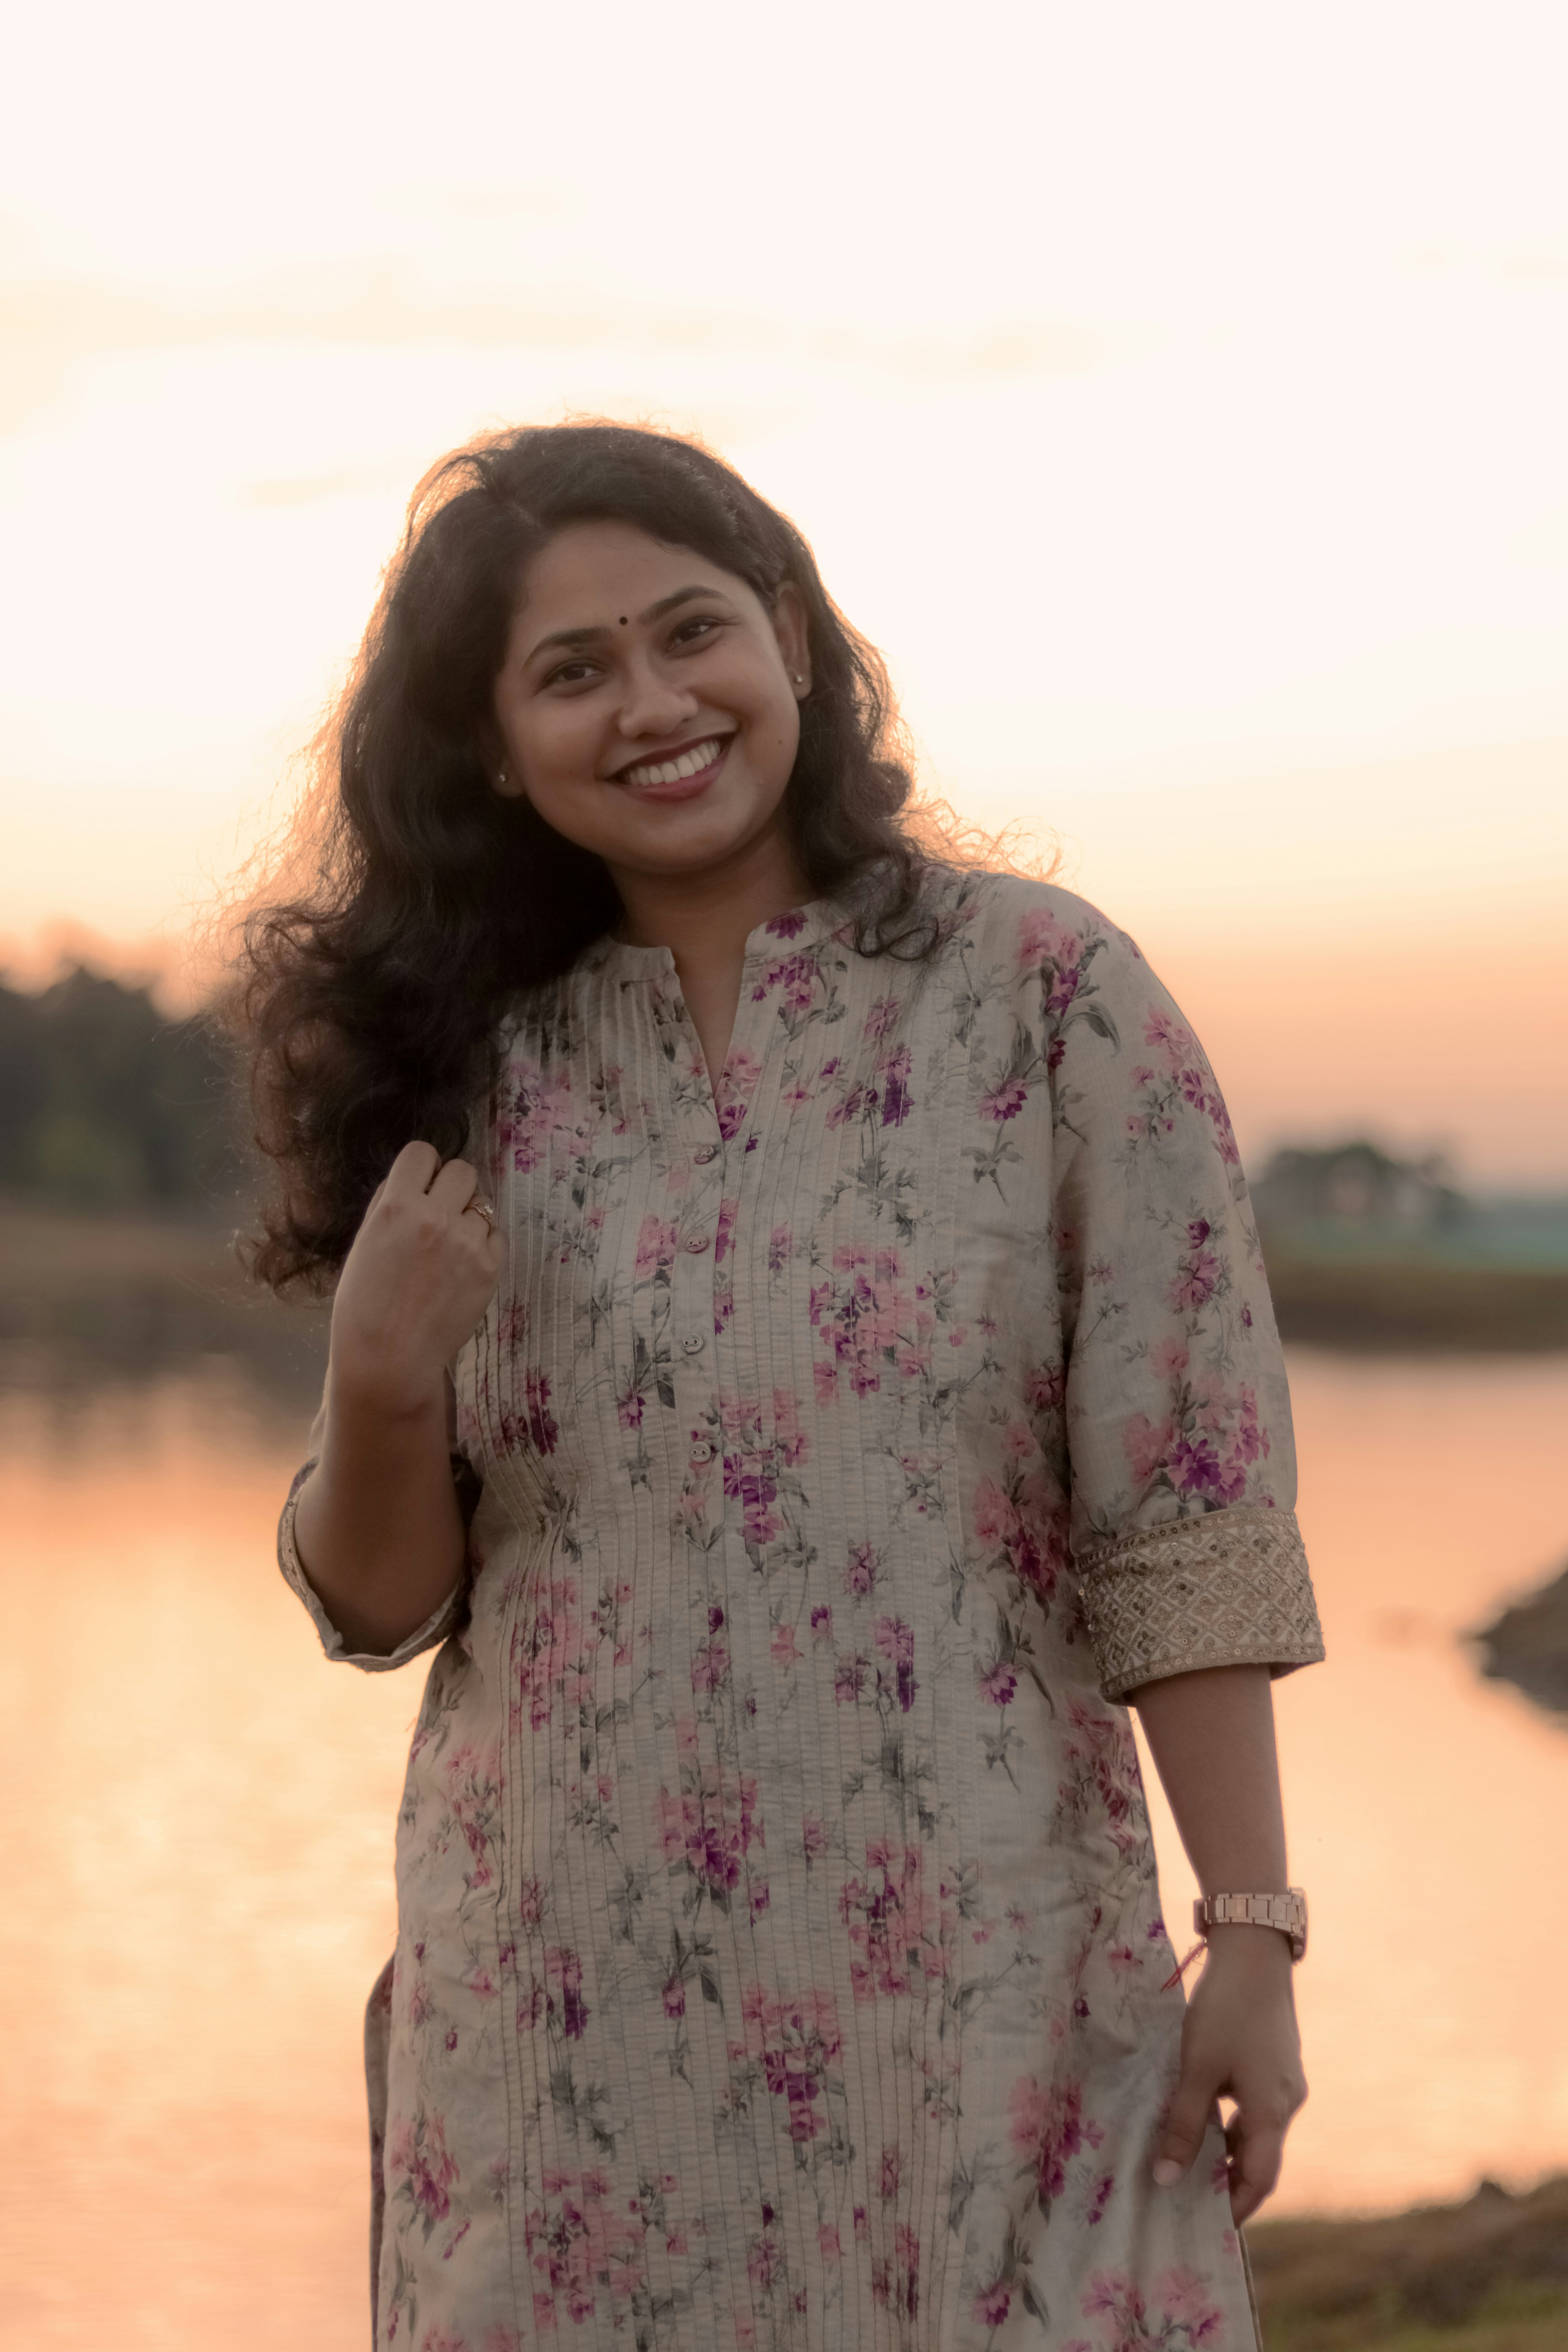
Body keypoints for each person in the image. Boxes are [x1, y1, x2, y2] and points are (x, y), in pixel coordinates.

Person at [238, 421, 1324, 2350]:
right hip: (568, 2029)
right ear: (494, 746)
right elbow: (380, 1604)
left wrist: (1248, 1927)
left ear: (797, 648)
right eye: (571, 673)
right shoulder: (474, 1068)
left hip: (988, 1994)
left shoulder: (1049, 1003)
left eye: (692, 633)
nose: (651, 705)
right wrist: (378, 1385)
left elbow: (1183, 1506)